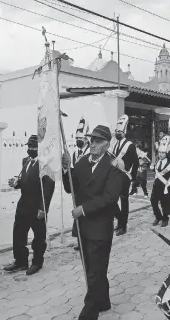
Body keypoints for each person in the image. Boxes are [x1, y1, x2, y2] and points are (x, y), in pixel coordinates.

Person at [61, 125, 123, 320]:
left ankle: (89, 312)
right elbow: (71, 188)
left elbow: (110, 197)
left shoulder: (113, 165)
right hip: (82, 228)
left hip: (100, 227)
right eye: (92, 140)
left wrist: (84, 209)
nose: (93, 144)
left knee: (96, 270)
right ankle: (103, 301)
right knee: (90, 267)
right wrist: (66, 169)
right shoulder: (81, 163)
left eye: (97, 141)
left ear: (106, 144)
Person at [4, 135, 55, 275]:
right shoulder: (26, 161)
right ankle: (20, 261)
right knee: (18, 233)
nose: (30, 149)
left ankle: (37, 262)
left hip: (37, 205)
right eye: (29, 146)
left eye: (33, 147)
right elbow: (25, 180)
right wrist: (16, 182)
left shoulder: (45, 164)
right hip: (23, 203)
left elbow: (49, 187)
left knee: (39, 236)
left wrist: (43, 208)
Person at [111, 115, 139, 236]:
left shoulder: (130, 145)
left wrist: (133, 177)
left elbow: (136, 162)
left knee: (124, 202)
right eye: (116, 131)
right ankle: (121, 221)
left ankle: (123, 226)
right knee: (112, 201)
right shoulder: (116, 145)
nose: (117, 133)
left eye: (120, 131)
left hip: (124, 177)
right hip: (115, 176)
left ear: (124, 132)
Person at [71, 117, 90, 251]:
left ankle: (87, 240)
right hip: (78, 188)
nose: (79, 141)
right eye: (78, 139)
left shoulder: (90, 153)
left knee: (87, 215)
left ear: (86, 140)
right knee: (78, 215)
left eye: (82, 139)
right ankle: (79, 240)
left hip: (88, 188)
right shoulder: (74, 153)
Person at [150, 138, 170, 227]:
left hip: (165, 186)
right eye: (159, 153)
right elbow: (157, 173)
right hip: (156, 185)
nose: (160, 155)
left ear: (166, 154)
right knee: (153, 201)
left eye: (163, 153)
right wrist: (152, 168)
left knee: (164, 204)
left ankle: (165, 219)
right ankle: (158, 216)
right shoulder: (157, 162)